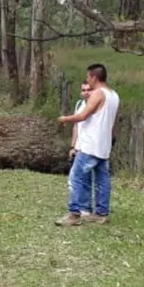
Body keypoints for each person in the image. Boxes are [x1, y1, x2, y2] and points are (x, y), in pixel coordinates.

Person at [56, 63, 120, 226]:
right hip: (103, 146)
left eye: (88, 77)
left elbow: (83, 115)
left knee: (76, 177)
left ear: (94, 77)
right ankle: (101, 213)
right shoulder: (114, 95)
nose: (87, 80)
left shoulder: (98, 93)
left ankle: (74, 214)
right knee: (102, 180)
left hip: (90, 145)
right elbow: (113, 122)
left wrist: (64, 119)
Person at [68, 80, 94, 217]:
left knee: (81, 178)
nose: (86, 93)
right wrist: (73, 146)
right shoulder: (79, 104)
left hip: (90, 146)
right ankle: (82, 206)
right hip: (79, 146)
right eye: (83, 90)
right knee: (78, 177)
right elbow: (76, 126)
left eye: (89, 90)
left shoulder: (96, 105)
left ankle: (83, 207)